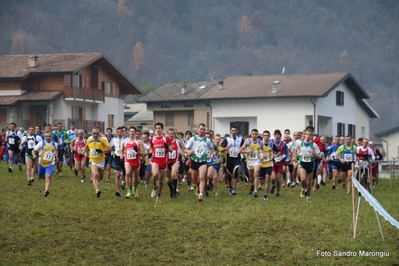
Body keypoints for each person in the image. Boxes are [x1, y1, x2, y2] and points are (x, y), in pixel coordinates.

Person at [185, 123, 214, 201]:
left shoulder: (207, 140)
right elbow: (185, 149)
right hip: (194, 160)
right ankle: (198, 186)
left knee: (201, 177)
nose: (202, 131)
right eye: (201, 129)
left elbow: (211, 148)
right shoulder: (192, 139)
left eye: (204, 129)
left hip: (203, 161)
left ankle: (201, 194)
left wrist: (209, 154)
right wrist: (189, 151)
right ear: (198, 129)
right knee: (195, 180)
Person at [292, 129, 322, 202]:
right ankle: (303, 188)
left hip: (311, 164)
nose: (308, 136)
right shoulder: (300, 143)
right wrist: (295, 160)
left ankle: (308, 197)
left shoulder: (314, 145)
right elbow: (294, 151)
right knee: (303, 179)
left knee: (308, 182)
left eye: (310, 135)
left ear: (312, 136)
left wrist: (314, 153)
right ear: (304, 135)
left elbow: (319, 156)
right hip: (302, 162)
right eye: (307, 134)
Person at [82, 127, 111, 197]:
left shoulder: (102, 140)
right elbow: (86, 146)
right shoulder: (89, 139)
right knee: (95, 174)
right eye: (94, 133)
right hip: (92, 160)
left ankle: (95, 179)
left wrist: (102, 151)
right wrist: (83, 153)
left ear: (99, 134)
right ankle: (97, 190)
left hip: (101, 161)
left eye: (97, 133)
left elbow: (109, 149)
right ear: (92, 133)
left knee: (100, 178)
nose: (95, 135)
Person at [149, 122, 173, 202]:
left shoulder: (166, 138)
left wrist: (167, 148)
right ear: (155, 129)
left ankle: (159, 195)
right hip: (155, 160)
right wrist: (150, 152)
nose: (158, 130)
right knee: (155, 174)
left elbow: (171, 150)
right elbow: (151, 148)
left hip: (163, 161)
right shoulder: (153, 139)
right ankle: (155, 188)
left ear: (162, 129)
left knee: (161, 179)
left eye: (159, 128)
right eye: (157, 128)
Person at [32, 131, 58, 196]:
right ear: (44, 137)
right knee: (39, 177)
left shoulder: (55, 144)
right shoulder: (41, 143)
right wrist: (34, 155)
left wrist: (56, 156)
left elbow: (56, 151)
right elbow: (33, 150)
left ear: (51, 137)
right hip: (41, 163)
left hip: (50, 164)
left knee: (48, 176)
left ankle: (46, 190)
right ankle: (42, 175)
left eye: (49, 136)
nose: (48, 137)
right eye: (46, 136)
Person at [121, 126, 144, 199]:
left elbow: (143, 153)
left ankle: (135, 189)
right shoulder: (125, 142)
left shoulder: (139, 142)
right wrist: (122, 157)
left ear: (135, 133)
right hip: (127, 160)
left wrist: (137, 151)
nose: (132, 133)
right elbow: (122, 151)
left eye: (133, 131)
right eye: (131, 131)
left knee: (135, 178)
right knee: (127, 173)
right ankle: (128, 191)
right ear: (128, 132)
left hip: (136, 161)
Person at [220, 125, 244, 195]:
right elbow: (221, 149)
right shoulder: (227, 139)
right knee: (229, 174)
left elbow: (243, 147)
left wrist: (244, 154)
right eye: (232, 130)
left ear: (237, 131)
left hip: (237, 158)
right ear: (230, 131)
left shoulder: (240, 139)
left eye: (235, 131)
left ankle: (234, 188)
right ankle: (230, 187)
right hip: (229, 158)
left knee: (236, 171)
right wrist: (227, 147)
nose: (233, 132)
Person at [240, 129, 263, 197]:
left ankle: (255, 191)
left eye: (256, 134)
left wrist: (262, 155)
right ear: (251, 134)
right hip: (249, 161)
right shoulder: (248, 141)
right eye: (253, 134)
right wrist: (248, 151)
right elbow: (240, 150)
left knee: (256, 174)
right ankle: (252, 185)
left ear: (257, 135)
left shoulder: (260, 142)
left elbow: (262, 149)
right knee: (251, 177)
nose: (255, 135)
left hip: (257, 161)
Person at [166, 128, 185, 198]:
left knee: (174, 174)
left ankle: (174, 191)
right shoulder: (165, 142)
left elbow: (183, 148)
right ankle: (171, 189)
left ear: (175, 134)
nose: (171, 135)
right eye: (170, 134)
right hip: (167, 162)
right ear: (167, 134)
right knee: (168, 179)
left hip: (175, 161)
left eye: (172, 134)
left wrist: (183, 155)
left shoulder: (178, 141)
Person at [269, 129, 289, 197]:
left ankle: (277, 191)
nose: (277, 136)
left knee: (278, 179)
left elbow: (287, 154)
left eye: (278, 135)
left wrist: (284, 158)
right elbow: (267, 151)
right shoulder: (271, 143)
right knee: (272, 178)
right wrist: (272, 155)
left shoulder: (283, 143)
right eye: (276, 135)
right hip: (272, 162)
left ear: (280, 136)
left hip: (280, 163)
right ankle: (273, 185)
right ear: (274, 135)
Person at [110, 127, 125, 197]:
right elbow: (111, 147)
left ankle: (123, 182)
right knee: (117, 174)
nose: (119, 133)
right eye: (118, 132)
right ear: (116, 133)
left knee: (125, 174)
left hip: (124, 158)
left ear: (123, 132)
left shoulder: (126, 139)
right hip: (116, 157)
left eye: (120, 132)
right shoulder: (113, 140)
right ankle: (118, 190)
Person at [259, 130, 273, 200]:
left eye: (267, 135)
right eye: (265, 135)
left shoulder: (271, 144)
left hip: (269, 164)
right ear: (263, 136)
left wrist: (277, 155)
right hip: (261, 165)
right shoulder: (260, 144)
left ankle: (265, 195)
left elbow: (279, 150)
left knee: (267, 179)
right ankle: (259, 184)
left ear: (269, 136)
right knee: (261, 181)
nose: (266, 137)